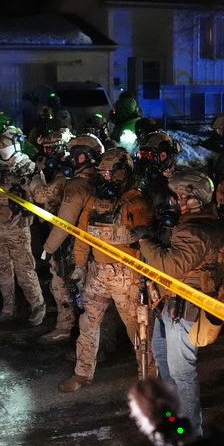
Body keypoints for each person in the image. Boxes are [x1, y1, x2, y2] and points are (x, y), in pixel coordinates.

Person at [136, 169, 224, 435]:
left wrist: (144, 241)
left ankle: (191, 435)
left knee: (182, 374)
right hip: (168, 306)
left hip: (184, 312)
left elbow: (170, 266)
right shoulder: (192, 223)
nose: (173, 201)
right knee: (164, 365)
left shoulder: (199, 230)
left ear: (193, 199)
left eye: (178, 196)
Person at [60, 147, 154, 392]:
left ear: (123, 173)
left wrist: (144, 280)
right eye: (101, 174)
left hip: (128, 276)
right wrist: (79, 266)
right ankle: (82, 374)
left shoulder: (138, 203)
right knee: (87, 325)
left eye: (109, 174)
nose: (104, 179)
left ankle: (148, 379)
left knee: (138, 331)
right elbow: (82, 237)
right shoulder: (94, 202)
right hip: (97, 273)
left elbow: (149, 245)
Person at [0, 127, 47, 325]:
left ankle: (37, 306)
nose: (2, 147)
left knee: (25, 270)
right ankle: (8, 307)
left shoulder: (27, 167)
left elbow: (38, 198)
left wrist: (26, 185)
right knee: (2, 270)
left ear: (16, 144)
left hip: (17, 228)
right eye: (0, 145)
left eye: (5, 144)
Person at [33, 133, 103, 345]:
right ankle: (93, 339)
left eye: (75, 155)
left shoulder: (76, 186)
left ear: (83, 157)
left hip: (70, 247)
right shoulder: (99, 180)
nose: (70, 158)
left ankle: (67, 330)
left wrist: (48, 248)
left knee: (62, 288)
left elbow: (64, 222)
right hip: (91, 247)